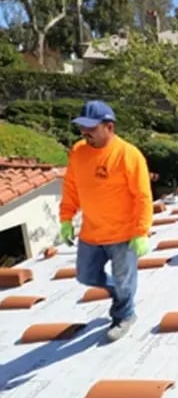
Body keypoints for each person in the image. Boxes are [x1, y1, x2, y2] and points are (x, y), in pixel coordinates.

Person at [59, 100, 153, 342]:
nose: (85, 133)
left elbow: (142, 196)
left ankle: (124, 315)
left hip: (123, 235)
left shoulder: (128, 155)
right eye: (82, 127)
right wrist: (66, 218)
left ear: (109, 127)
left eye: (91, 128)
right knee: (86, 276)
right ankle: (122, 292)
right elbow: (71, 187)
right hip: (92, 232)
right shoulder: (79, 151)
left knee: (124, 281)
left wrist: (141, 231)